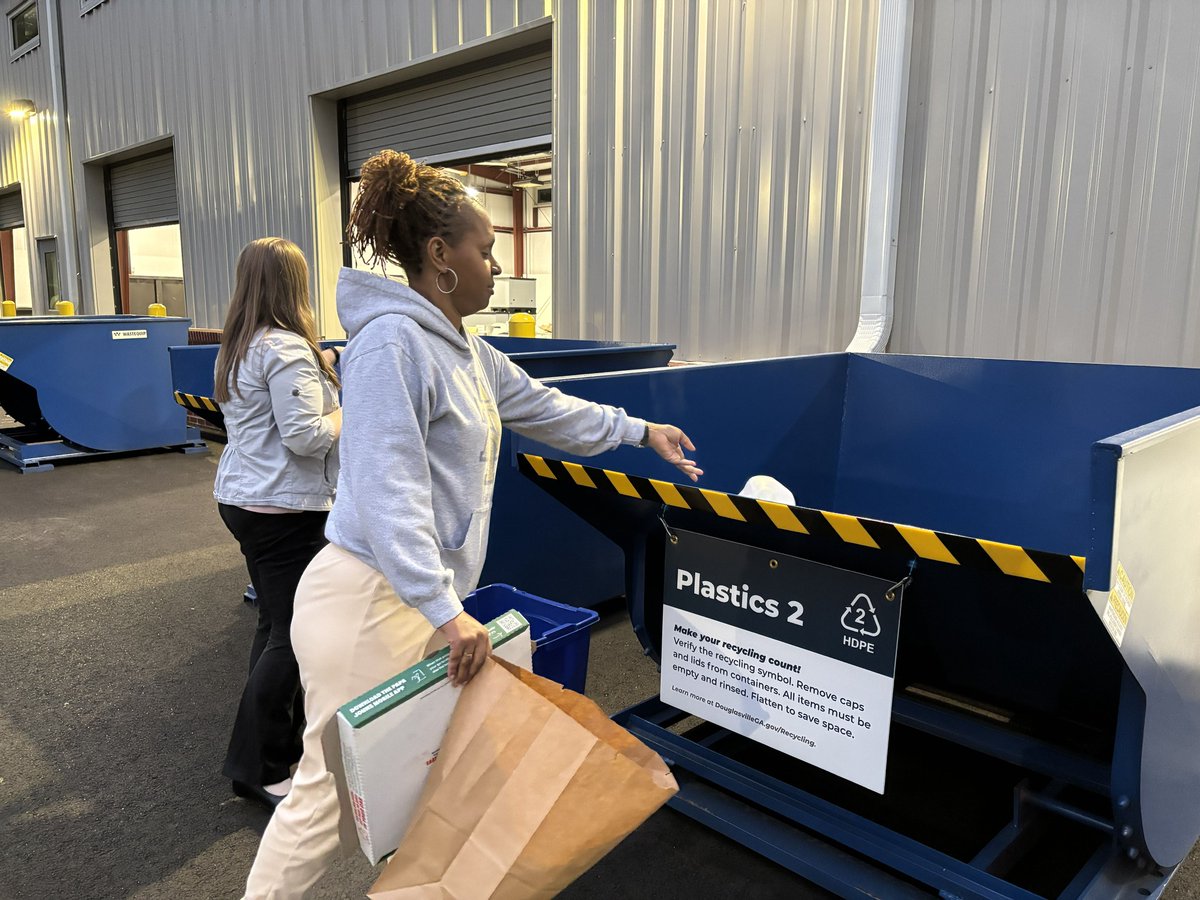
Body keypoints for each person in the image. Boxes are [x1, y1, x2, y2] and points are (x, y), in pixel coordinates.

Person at [241, 150, 700, 898]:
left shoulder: (462, 350)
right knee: (326, 797)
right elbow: (388, 493)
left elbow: (546, 407)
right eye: (485, 250)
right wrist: (447, 611)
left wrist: (640, 429)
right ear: (439, 257)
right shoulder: (391, 345)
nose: (495, 264)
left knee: (429, 782)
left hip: (414, 603)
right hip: (368, 603)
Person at [213, 237, 343, 811]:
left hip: (244, 498)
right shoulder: (289, 349)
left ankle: (273, 746)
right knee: (293, 635)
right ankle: (259, 766)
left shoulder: (238, 344)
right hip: (284, 510)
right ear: (295, 285)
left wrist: (325, 369)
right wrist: (348, 405)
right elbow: (307, 434)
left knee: (275, 626)